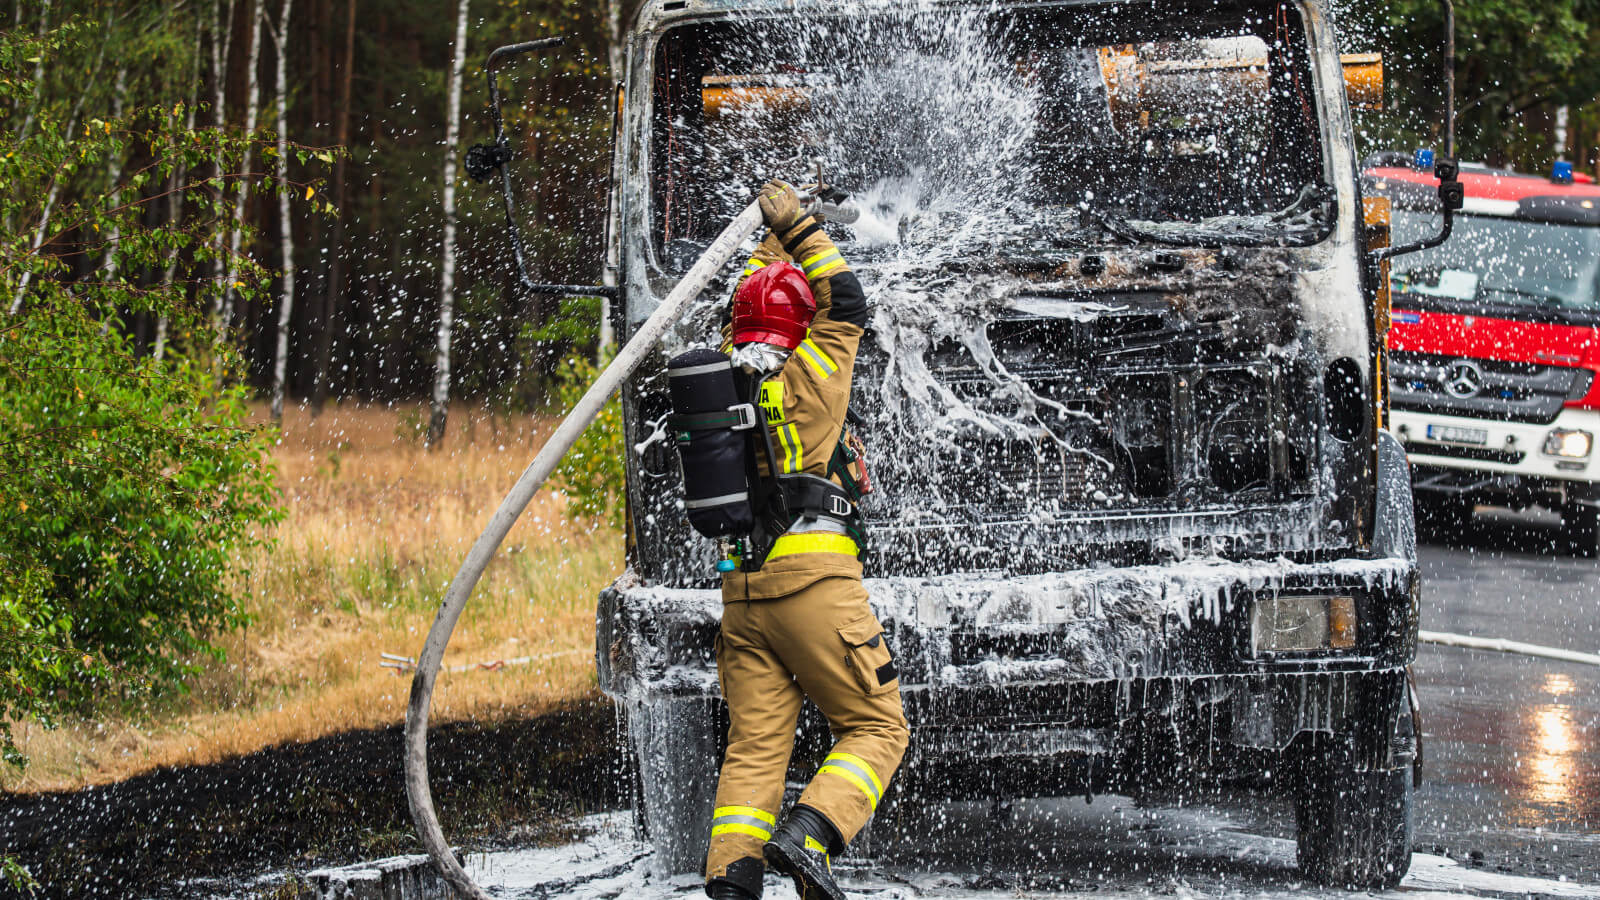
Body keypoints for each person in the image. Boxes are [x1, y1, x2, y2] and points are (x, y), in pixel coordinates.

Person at [703, 181, 911, 900]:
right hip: (816, 587)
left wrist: (775, 231)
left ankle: (732, 883)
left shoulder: (724, 382)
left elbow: (753, 298)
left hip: (744, 597)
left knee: (756, 748)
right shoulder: (810, 377)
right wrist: (803, 230)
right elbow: (845, 303)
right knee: (879, 727)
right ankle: (812, 834)